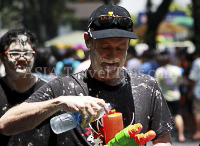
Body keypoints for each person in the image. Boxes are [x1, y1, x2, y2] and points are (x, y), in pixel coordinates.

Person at [0, 4, 174, 146]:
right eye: (105, 47)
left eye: (121, 48)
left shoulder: (147, 87)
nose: (113, 56)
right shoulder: (63, 88)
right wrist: (58, 103)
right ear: (87, 41)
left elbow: (163, 140)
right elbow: (5, 124)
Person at [0, 28, 57, 145]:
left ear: (34, 56)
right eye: (14, 53)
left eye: (27, 53)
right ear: (2, 57)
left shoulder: (50, 91)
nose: (22, 58)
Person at [155, 50, 186, 142]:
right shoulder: (177, 69)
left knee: (164, 117)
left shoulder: (159, 71)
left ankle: (165, 137)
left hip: (165, 96)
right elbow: (181, 82)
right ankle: (181, 135)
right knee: (178, 114)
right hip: (176, 95)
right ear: (170, 60)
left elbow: (157, 84)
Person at [188, 49, 200, 140]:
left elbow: (193, 78)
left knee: (197, 112)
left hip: (198, 91)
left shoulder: (197, 62)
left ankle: (198, 132)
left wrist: (190, 91)